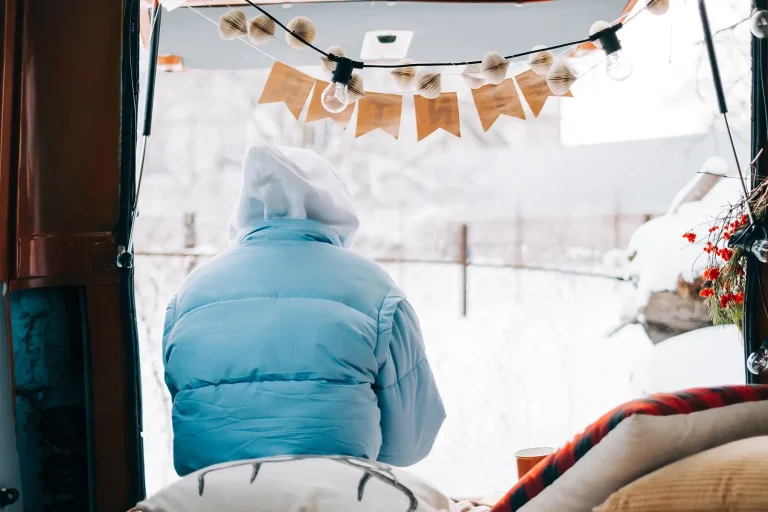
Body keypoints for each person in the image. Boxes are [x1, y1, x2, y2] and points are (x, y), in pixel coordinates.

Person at [162, 144, 446, 476]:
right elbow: (411, 442)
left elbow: (188, 409)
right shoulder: (374, 287)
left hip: (207, 499)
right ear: (336, 208)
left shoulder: (190, 291)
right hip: (337, 495)